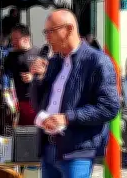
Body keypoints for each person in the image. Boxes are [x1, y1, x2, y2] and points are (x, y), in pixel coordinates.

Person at [29, 9, 119, 178]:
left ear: (69, 29)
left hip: (77, 151)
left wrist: (68, 117)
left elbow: (110, 107)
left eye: (51, 31)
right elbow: (37, 104)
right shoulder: (55, 61)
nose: (47, 37)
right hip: (49, 148)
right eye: (45, 32)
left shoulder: (97, 61)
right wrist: (38, 79)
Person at [3, 24, 42, 126]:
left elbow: (48, 76)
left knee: (33, 130)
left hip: (37, 101)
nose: (13, 42)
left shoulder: (38, 53)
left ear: (26, 38)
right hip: (19, 102)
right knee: (23, 131)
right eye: (12, 39)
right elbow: (1, 71)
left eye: (16, 39)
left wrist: (33, 77)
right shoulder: (11, 56)